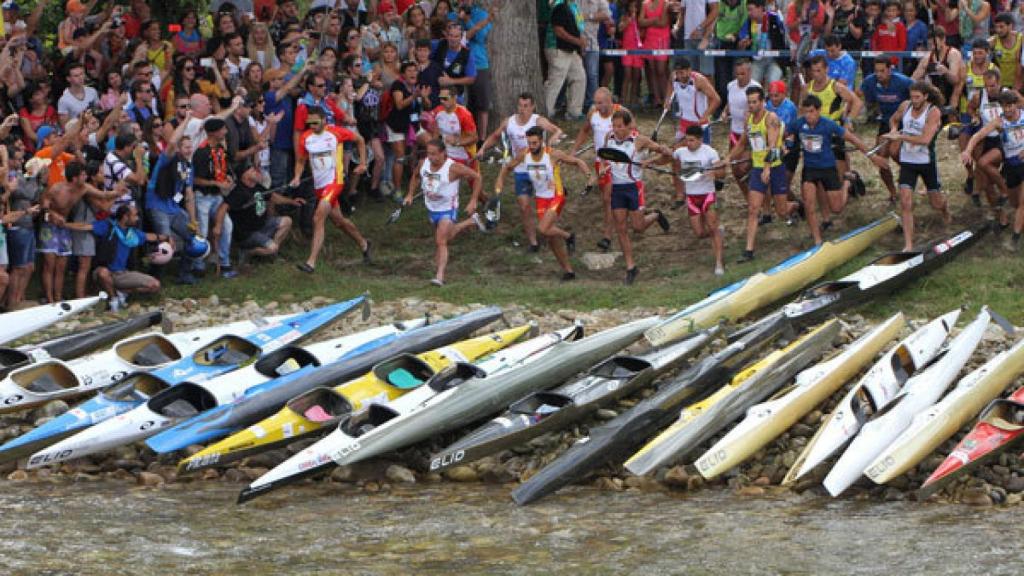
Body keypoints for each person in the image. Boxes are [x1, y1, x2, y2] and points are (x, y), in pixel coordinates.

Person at [786, 94, 888, 246]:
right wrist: (786, 141)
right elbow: (783, 133)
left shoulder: (828, 124)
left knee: (837, 208)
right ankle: (817, 240)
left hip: (828, 169)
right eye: (806, 112)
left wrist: (872, 157)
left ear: (819, 110)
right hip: (809, 170)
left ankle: (847, 181)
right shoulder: (799, 124)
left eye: (812, 111)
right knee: (809, 204)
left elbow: (853, 139)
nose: (809, 115)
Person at [496, 126, 593, 281]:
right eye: (529, 143)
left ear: (541, 141)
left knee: (542, 228)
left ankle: (569, 236)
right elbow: (507, 167)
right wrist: (500, 180)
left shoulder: (552, 154)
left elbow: (577, 161)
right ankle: (569, 271)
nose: (532, 146)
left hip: (556, 195)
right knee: (551, 237)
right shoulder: (524, 154)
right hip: (541, 198)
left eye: (534, 143)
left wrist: (589, 176)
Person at [479, 92, 566, 250]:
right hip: (521, 169)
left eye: (526, 106)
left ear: (532, 106)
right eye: (520, 105)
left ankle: (551, 233)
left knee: (547, 206)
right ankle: (533, 242)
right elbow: (495, 135)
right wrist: (483, 148)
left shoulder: (538, 120)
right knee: (524, 205)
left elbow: (557, 130)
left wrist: (554, 138)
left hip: (540, 169)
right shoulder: (509, 122)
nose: (522, 109)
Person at [291, 107, 371, 273]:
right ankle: (364, 243)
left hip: (335, 181)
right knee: (339, 222)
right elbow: (300, 161)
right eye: (309, 122)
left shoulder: (336, 132)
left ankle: (311, 262)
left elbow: (360, 140)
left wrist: (363, 163)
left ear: (324, 120)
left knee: (318, 217)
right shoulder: (306, 138)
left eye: (315, 122)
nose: (312, 125)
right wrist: (297, 176)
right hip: (319, 186)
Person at [728, 85, 802, 262]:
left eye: (754, 102)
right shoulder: (749, 120)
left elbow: (773, 146)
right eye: (749, 102)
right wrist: (726, 159)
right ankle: (749, 251)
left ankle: (797, 206)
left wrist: (768, 168)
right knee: (753, 209)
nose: (751, 105)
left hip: (775, 167)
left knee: (781, 211)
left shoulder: (771, 119)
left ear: (762, 102)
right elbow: (741, 144)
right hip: (758, 168)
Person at [602, 109, 672, 285]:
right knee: (621, 228)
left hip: (634, 188)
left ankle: (655, 215)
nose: (616, 129)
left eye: (620, 126)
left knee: (638, 227)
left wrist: (651, 160)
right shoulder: (608, 138)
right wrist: (605, 167)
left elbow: (665, 154)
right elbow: (606, 157)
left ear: (628, 126)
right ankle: (631, 267)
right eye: (614, 126)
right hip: (617, 188)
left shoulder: (639, 140)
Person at [404, 138, 486, 286]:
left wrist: (473, 200)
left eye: (434, 154)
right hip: (431, 207)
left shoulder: (453, 168)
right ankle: (471, 221)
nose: (431, 157)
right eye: (429, 153)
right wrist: (409, 194)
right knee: (446, 237)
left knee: (441, 241)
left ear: (443, 153)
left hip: (448, 208)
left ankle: (439, 276)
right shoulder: (424, 163)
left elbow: (477, 177)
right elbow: (416, 176)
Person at [65, 204, 163, 311]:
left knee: (155, 285)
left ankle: (121, 292)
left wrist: (166, 238)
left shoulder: (133, 233)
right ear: (125, 217)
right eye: (135, 216)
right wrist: (64, 224)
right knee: (103, 273)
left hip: (123, 274)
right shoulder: (107, 226)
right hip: (104, 272)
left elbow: (149, 236)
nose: (137, 218)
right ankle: (114, 299)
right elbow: (85, 226)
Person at [963, 90, 1024, 249]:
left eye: (1010, 106)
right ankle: (1017, 222)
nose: (1008, 110)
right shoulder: (999, 122)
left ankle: (1014, 239)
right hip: (1011, 164)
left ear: (1016, 104)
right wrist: (968, 151)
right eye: (1004, 107)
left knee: (1023, 203)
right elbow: (978, 136)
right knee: (1015, 203)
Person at [570, 87, 629, 250]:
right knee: (606, 199)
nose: (597, 106)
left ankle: (608, 235)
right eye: (595, 102)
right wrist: (574, 150)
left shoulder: (621, 113)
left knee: (608, 197)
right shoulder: (593, 113)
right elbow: (584, 131)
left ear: (610, 101)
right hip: (600, 162)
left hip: (618, 162)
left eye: (600, 102)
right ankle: (614, 228)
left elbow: (634, 134)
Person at [147, 113, 200, 285]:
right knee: (165, 242)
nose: (189, 150)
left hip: (174, 208)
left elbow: (189, 195)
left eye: (190, 147)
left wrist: (193, 221)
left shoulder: (189, 167)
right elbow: (170, 142)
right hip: (157, 205)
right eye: (185, 147)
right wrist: (185, 121)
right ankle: (154, 277)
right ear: (178, 148)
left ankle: (185, 274)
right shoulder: (167, 158)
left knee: (192, 237)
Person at [673, 124, 726, 275]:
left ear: (700, 140)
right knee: (700, 233)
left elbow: (722, 171)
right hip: (691, 197)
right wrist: (651, 161)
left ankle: (719, 263)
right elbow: (666, 157)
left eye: (692, 141)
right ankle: (718, 233)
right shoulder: (681, 152)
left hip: (708, 195)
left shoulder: (710, 152)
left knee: (712, 227)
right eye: (687, 140)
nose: (688, 144)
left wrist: (715, 174)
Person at [858, 58, 913, 202]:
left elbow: (920, 95)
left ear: (890, 69)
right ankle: (893, 193)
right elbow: (862, 97)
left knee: (895, 153)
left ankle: (911, 173)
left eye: (882, 71)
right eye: (876, 71)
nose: (879, 74)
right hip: (885, 122)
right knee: (881, 160)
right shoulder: (870, 82)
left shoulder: (903, 82)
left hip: (903, 123)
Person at [192, 116, 237, 279]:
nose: (226, 131)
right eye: (223, 129)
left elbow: (224, 169)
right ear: (214, 132)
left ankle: (225, 263)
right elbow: (195, 179)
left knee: (227, 226)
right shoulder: (201, 152)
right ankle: (198, 266)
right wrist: (217, 184)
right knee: (202, 232)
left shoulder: (220, 149)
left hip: (217, 197)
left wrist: (227, 178)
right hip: (203, 197)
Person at [227, 162, 298, 261]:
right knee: (272, 248)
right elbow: (224, 207)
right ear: (244, 175)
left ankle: (272, 252)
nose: (255, 172)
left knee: (287, 221)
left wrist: (292, 202)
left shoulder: (256, 186)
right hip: (247, 234)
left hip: (262, 225)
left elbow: (274, 197)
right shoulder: (238, 192)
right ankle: (248, 252)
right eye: (252, 170)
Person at [721, 59, 760, 199]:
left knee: (744, 168)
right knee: (735, 169)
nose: (739, 77)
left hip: (750, 134)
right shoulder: (731, 86)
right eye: (737, 74)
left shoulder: (755, 87)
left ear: (749, 72)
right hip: (734, 132)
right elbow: (730, 102)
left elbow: (762, 109)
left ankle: (758, 195)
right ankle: (749, 198)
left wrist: (752, 115)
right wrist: (725, 112)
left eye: (742, 74)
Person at [545, 0, 588, 120]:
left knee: (579, 77)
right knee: (555, 82)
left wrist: (579, 45)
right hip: (558, 49)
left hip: (570, 50)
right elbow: (559, 31)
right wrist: (577, 41)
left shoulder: (572, 6)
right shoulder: (559, 6)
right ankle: (545, 111)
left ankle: (574, 112)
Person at [738, 0, 787, 85]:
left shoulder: (775, 18)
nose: (749, 13)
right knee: (752, 84)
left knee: (773, 82)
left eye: (751, 9)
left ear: (760, 8)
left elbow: (785, 35)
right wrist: (743, 43)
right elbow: (741, 40)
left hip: (774, 60)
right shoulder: (748, 22)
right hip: (756, 61)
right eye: (748, 10)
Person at [991, 12, 1023, 91]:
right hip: (1002, 85)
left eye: (1001, 27)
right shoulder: (993, 41)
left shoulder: (1021, 40)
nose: (998, 30)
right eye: (996, 27)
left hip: (1021, 84)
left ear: (1010, 26)